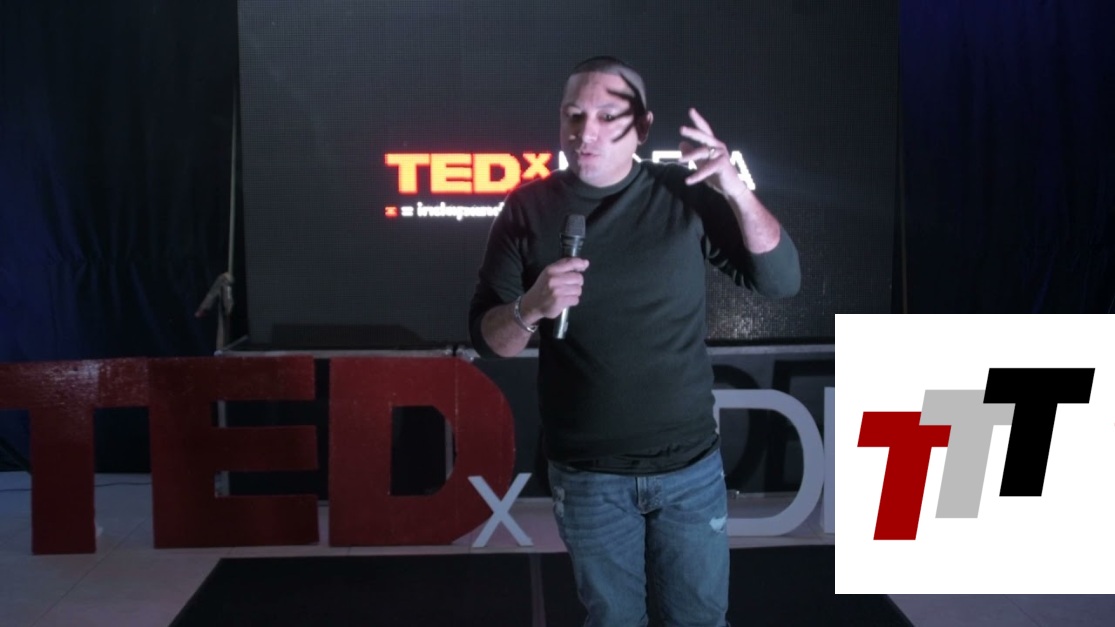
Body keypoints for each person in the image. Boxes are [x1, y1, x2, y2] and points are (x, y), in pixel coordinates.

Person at [468, 56, 801, 627]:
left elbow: (781, 281)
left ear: (643, 127)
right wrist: (531, 308)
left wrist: (734, 189)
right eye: (574, 116)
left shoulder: (684, 194)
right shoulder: (528, 209)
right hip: (587, 475)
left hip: (689, 468)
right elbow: (488, 339)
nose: (586, 132)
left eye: (606, 116)